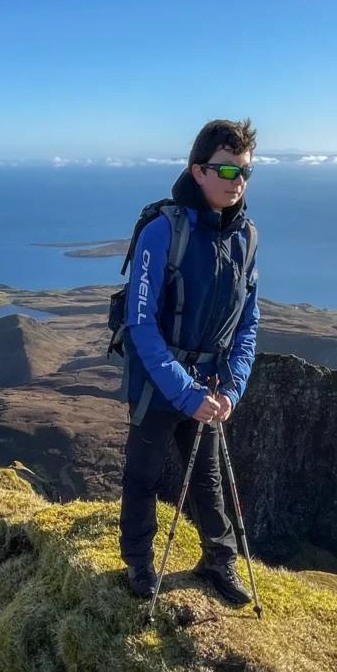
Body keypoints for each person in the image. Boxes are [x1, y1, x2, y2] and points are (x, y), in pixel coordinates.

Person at [120, 118, 259, 603]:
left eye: (244, 171)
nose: (237, 181)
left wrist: (232, 388)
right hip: (159, 382)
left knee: (209, 473)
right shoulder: (162, 232)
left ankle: (219, 561)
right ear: (197, 171)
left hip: (212, 382)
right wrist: (184, 392)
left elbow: (249, 322)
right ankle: (139, 563)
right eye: (226, 170)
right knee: (144, 471)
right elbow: (141, 325)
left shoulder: (246, 239)